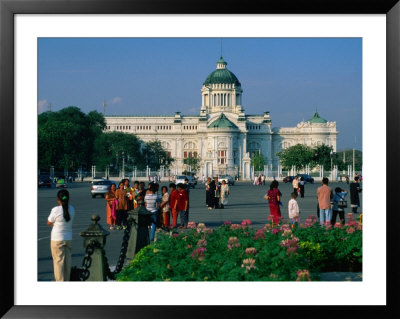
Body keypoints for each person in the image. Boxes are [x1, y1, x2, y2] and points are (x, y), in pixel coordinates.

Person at [47, 189, 75, 281]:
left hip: (57, 239)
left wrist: (55, 225)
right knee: (67, 262)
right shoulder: (72, 209)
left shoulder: (55, 210)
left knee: (58, 262)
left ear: (57, 199)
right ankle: (66, 280)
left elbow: (49, 222)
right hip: (68, 238)